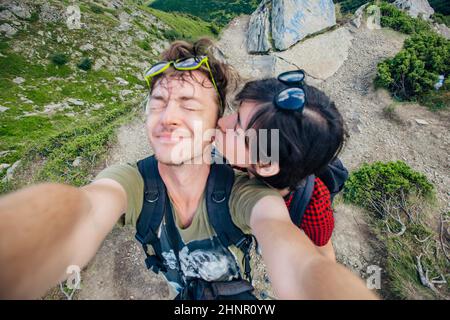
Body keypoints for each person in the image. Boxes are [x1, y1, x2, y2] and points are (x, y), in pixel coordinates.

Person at [0, 38, 377, 300]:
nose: (168, 117)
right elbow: (83, 209)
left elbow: (303, 259)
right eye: (158, 101)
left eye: (190, 105)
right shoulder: (133, 181)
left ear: (261, 163)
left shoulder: (270, 197)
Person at [216, 71, 345, 261]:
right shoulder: (243, 161)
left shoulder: (315, 209)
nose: (221, 122)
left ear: (266, 164)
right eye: (235, 114)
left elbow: (324, 254)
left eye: (236, 128)